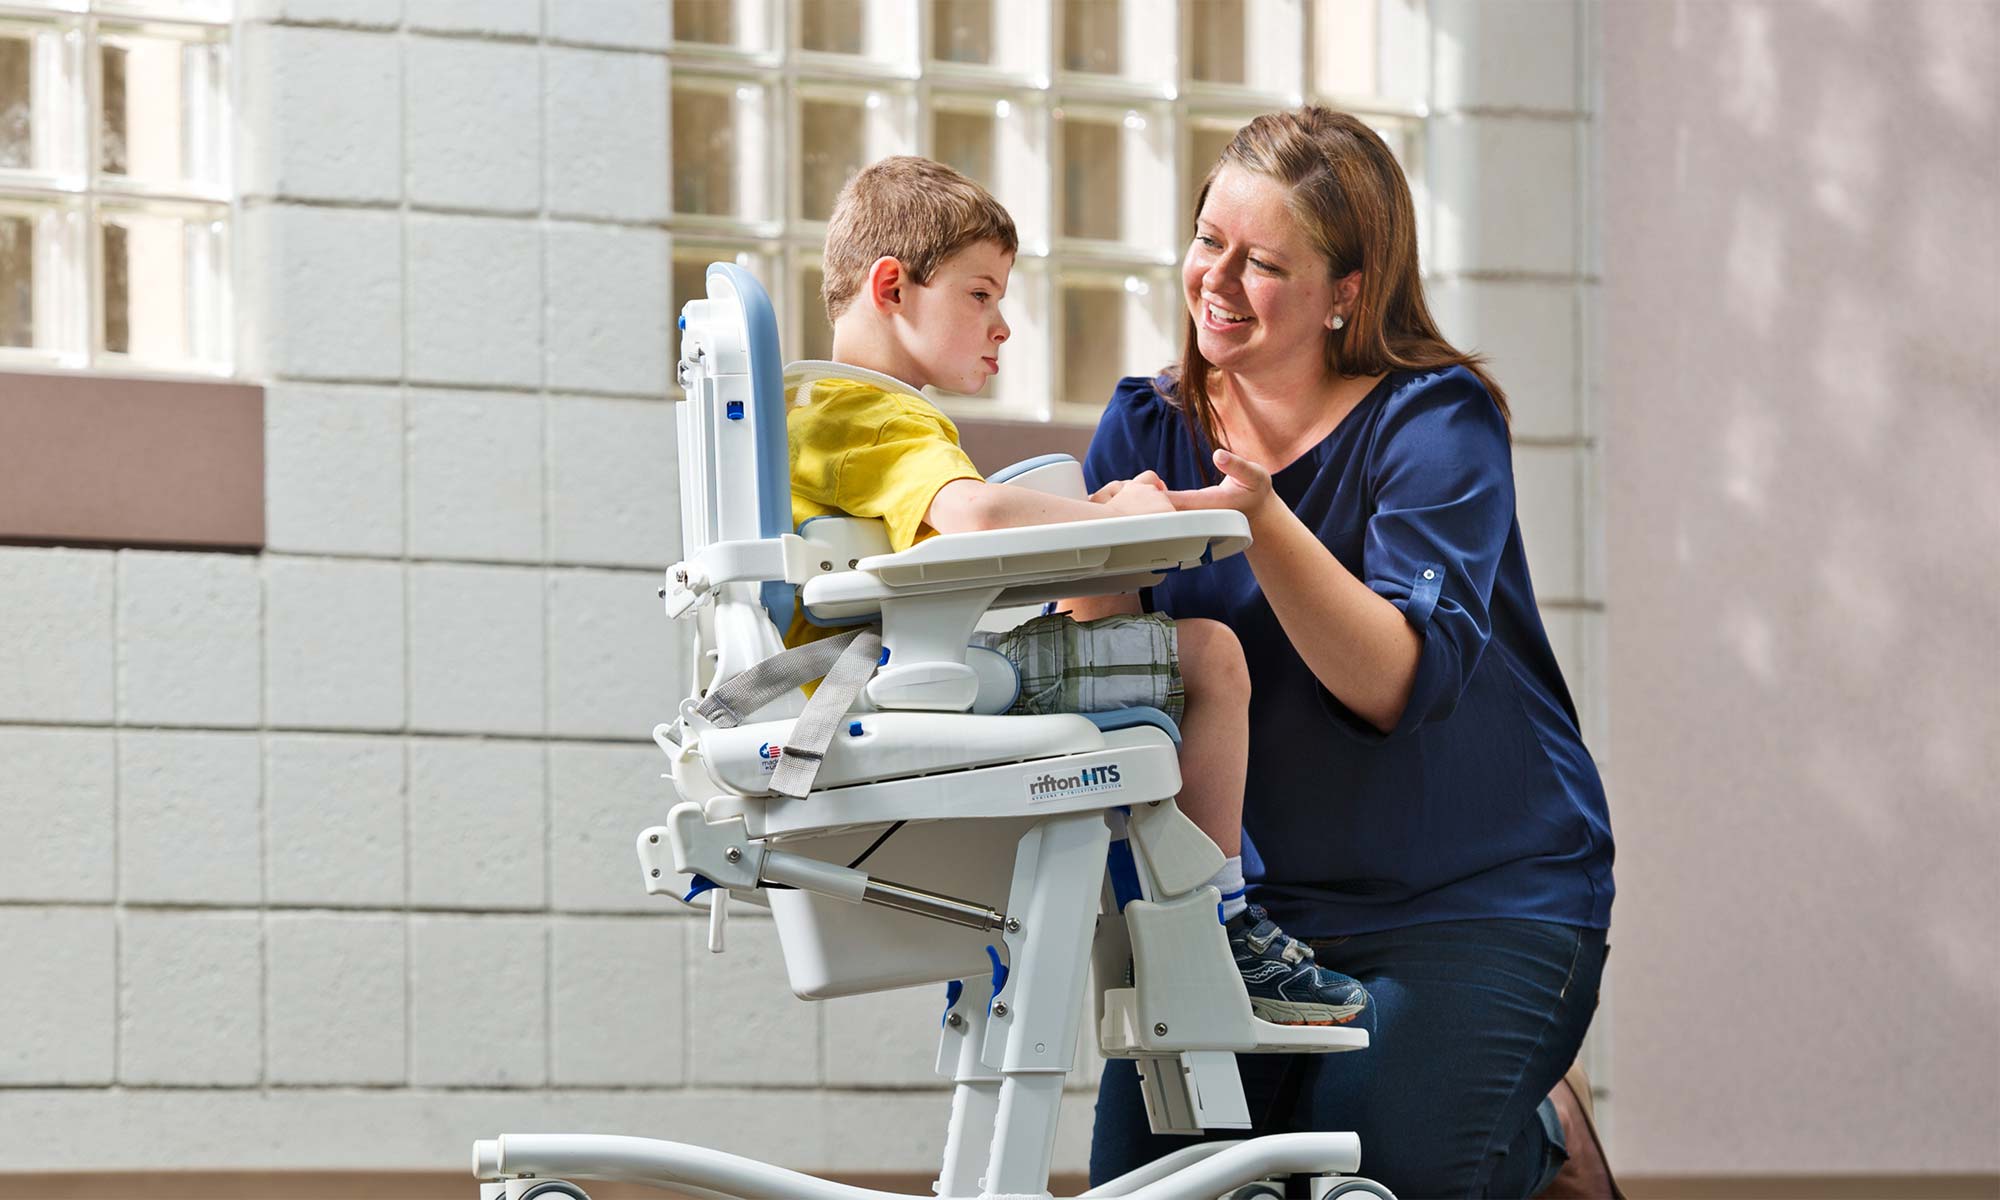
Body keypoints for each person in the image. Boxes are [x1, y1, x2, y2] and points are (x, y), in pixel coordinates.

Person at [1073, 108, 1623, 1197]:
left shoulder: (1434, 421)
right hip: (1244, 923)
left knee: (1368, 1181)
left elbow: (1389, 683)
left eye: (1263, 262)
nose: (1216, 280)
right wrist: (1094, 553)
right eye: (1206, 241)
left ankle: (1531, 1133)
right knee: (1162, 1189)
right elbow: (1111, 686)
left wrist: (1259, 518)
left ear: (1345, 292)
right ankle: (1492, 1099)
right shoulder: (1144, 424)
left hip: (1473, 899)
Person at [786, 154, 1373, 1027]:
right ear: (892, 286)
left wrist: (1087, 513)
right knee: (1209, 657)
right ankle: (1222, 928)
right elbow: (973, 516)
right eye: (980, 295)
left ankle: (1190, 915)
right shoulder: (868, 413)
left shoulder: (828, 412)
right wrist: (1118, 515)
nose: (1003, 325)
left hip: (900, 681)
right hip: (909, 695)